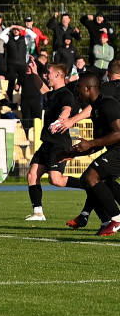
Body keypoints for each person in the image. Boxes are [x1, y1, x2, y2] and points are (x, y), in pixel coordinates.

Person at [58, 73, 120, 236]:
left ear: (88, 88)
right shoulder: (96, 109)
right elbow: (100, 142)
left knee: (90, 177)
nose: (76, 91)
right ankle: (107, 221)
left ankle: (117, 219)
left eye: (79, 87)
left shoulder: (108, 104)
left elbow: (119, 133)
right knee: (92, 181)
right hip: (115, 150)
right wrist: (73, 154)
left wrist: (91, 143)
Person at [23, 63, 77, 221]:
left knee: (56, 180)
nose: (46, 75)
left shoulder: (66, 94)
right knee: (32, 175)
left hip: (59, 144)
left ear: (58, 75)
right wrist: (34, 73)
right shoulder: (53, 93)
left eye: (48, 73)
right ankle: (38, 212)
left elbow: (67, 109)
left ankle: (89, 184)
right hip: (47, 143)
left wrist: (60, 120)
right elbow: (43, 90)